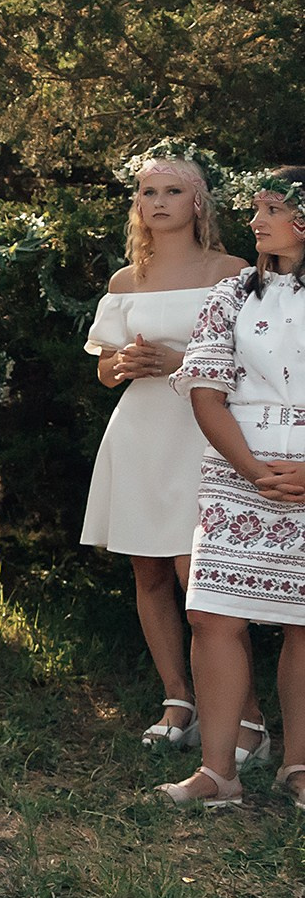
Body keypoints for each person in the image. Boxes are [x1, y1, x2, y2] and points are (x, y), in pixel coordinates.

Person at [82, 143, 253, 753]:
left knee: (200, 574)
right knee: (148, 569)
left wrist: (181, 360)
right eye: (148, 192)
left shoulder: (232, 271)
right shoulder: (125, 280)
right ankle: (177, 699)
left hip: (203, 435)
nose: (158, 202)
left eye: (173, 191)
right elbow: (105, 370)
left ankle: (246, 718)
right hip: (140, 431)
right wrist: (124, 364)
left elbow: (256, 363)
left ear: (198, 202)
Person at [160, 167, 305, 810]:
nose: (255, 220)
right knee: (211, 614)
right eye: (255, 207)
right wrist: (250, 469)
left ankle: (299, 766)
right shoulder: (231, 295)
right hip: (236, 470)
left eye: (271, 208)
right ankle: (218, 774)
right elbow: (205, 390)